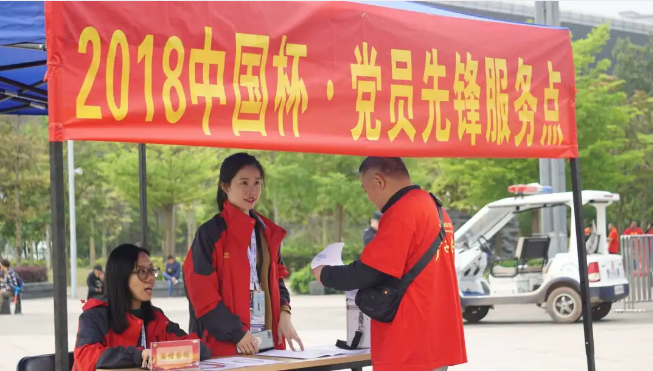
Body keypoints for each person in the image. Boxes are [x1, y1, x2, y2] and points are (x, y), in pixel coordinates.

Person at [312, 157, 467, 371]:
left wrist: (325, 274)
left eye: (366, 190)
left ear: (379, 181)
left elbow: (370, 271)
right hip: (438, 335)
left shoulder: (402, 211)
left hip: (410, 338)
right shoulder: (436, 208)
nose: (369, 198)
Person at [183, 152, 304, 357]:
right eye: (244, 183)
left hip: (268, 344)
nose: (252, 190)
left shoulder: (268, 233)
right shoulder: (210, 234)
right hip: (226, 348)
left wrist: (285, 313)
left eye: (257, 183)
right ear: (225, 186)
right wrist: (236, 333)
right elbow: (201, 294)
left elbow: (279, 279)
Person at [73, 244, 211, 371]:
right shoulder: (95, 316)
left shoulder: (155, 317)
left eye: (152, 271)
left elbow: (198, 348)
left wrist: (161, 354)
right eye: (142, 272)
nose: (151, 278)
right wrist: (139, 355)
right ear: (121, 276)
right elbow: (87, 357)